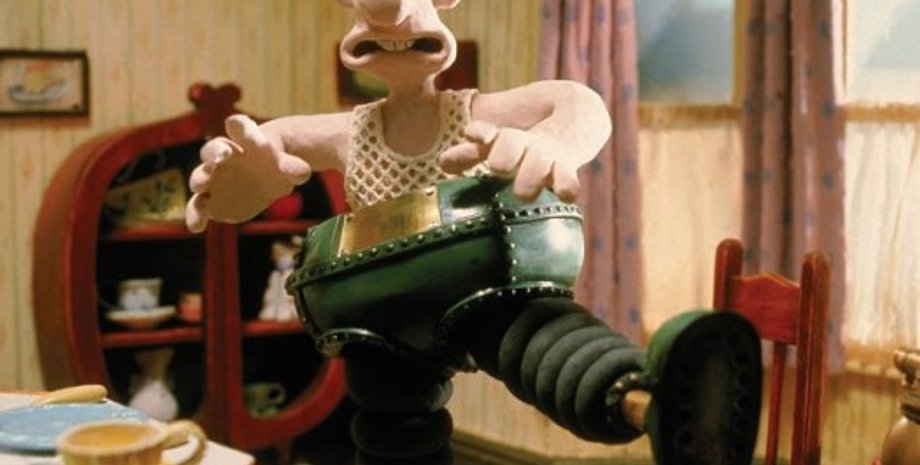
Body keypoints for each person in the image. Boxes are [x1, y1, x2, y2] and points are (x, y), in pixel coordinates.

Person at [186, 1, 762, 464]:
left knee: (545, 345)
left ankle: (651, 398)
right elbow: (270, 145)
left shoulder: (471, 112)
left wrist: (553, 143)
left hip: (475, 285)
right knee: (391, 430)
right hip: (381, 313)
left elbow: (577, 101)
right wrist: (243, 183)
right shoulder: (348, 130)